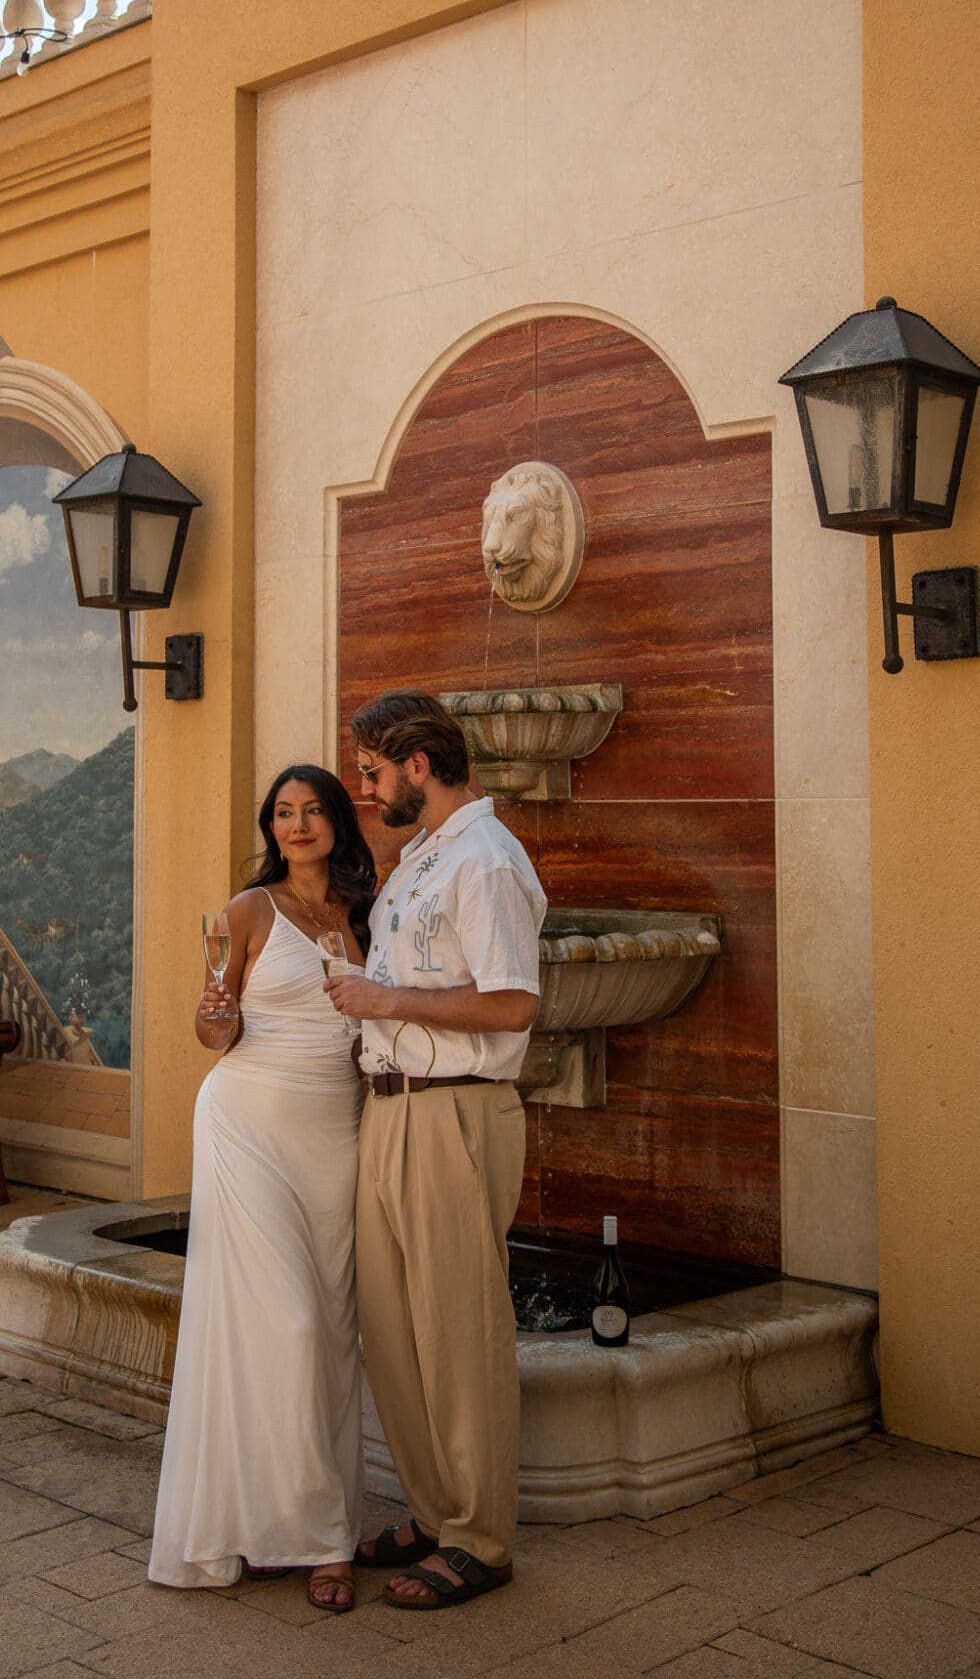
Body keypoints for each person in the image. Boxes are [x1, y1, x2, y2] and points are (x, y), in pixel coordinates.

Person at [323, 690, 546, 1612]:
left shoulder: (486, 861)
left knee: (457, 1332)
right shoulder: (422, 858)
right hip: (389, 1110)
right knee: (393, 1326)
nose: (363, 790)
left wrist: (385, 1005)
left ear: (419, 764)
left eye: (372, 772)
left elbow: (512, 1004)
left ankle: (481, 1539)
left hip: (454, 1114)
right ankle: (430, 1511)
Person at [148, 763, 376, 1613]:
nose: (296, 824)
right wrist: (216, 1008)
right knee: (289, 1321)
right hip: (245, 1125)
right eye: (282, 813)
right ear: (269, 827)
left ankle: (308, 1516)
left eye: (312, 810)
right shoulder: (245, 912)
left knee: (331, 1328)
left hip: (336, 1135)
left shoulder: (365, 914)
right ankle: (323, 1545)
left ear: (335, 822)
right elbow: (214, 1031)